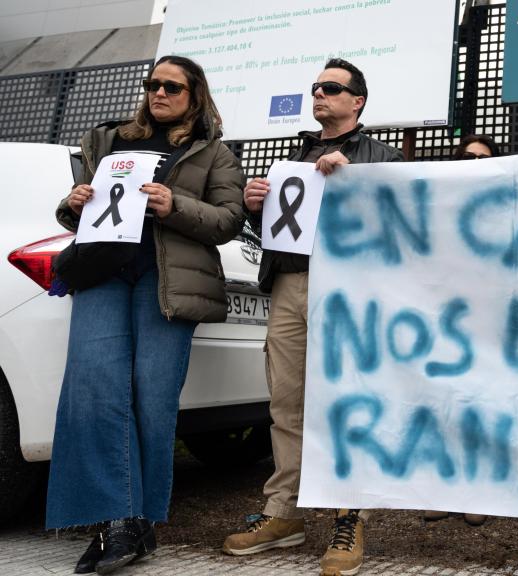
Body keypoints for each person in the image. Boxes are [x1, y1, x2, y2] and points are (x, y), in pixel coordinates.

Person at [47, 54, 245, 575]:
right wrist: (73, 201)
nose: (159, 94)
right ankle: (116, 522)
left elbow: (228, 220)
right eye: (152, 84)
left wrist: (173, 205)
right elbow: (75, 212)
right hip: (102, 272)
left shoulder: (214, 153)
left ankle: (137, 524)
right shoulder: (109, 140)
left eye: (172, 87)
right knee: (93, 393)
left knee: (151, 400)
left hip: (167, 281)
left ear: (194, 95)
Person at [220, 58, 403, 576]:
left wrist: (355, 183)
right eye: (315, 88)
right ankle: (284, 512)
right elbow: (279, 229)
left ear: (357, 101)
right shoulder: (295, 156)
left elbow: (393, 226)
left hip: (347, 288)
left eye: (331, 88)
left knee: (347, 400)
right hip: (289, 286)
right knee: (286, 401)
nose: (318, 95)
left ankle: (350, 516)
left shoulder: (380, 156)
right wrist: (256, 204)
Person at [422, 133, 501, 527]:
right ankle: (444, 489)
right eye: (467, 156)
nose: (473, 163)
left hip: (486, 318)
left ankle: (479, 491)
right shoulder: (437, 201)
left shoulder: (504, 206)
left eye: (483, 159)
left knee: (481, 403)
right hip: (442, 314)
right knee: (445, 402)